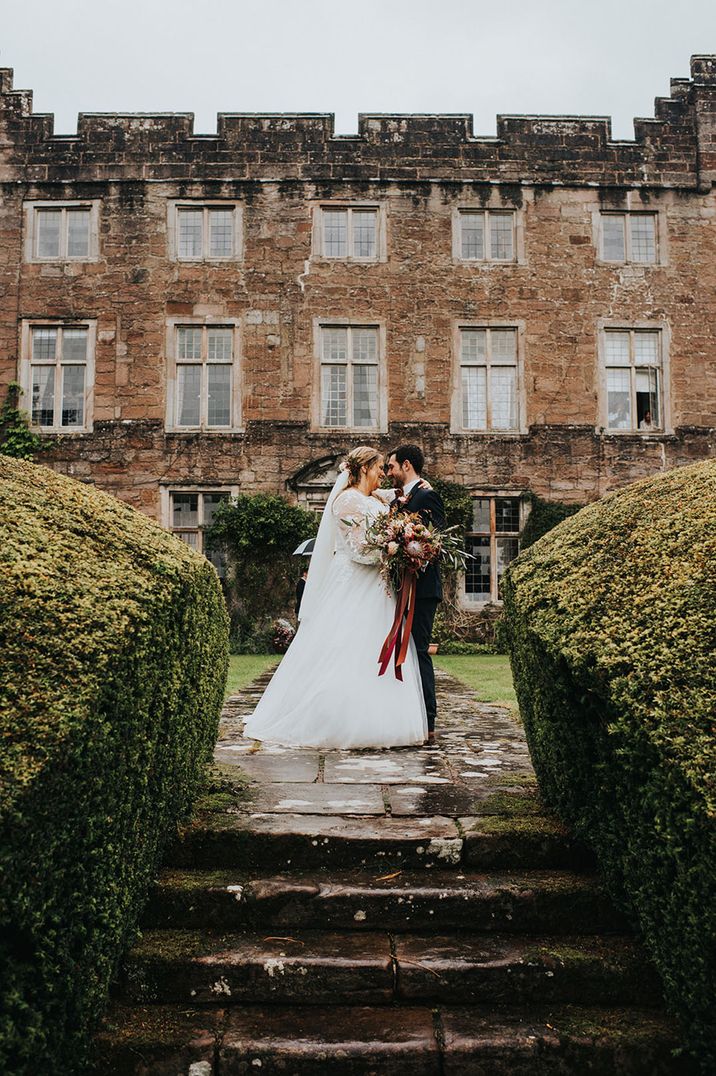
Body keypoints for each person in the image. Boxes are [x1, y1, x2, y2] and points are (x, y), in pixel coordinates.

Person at [243, 446, 427, 749]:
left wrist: (408, 535)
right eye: (380, 468)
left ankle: (380, 720)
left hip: (378, 587)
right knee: (345, 647)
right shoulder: (346, 502)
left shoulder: (377, 499)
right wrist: (390, 550)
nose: (383, 473)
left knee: (374, 649)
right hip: (354, 582)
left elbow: (407, 500)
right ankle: (333, 720)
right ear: (365, 468)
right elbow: (357, 550)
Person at [386, 444, 446, 746]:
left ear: (406, 465)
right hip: (400, 587)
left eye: (391, 467)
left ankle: (428, 719)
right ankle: (403, 713)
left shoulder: (427, 495)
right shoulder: (399, 499)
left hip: (421, 589)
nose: (388, 473)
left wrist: (413, 552)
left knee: (418, 651)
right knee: (400, 652)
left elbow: (436, 542)